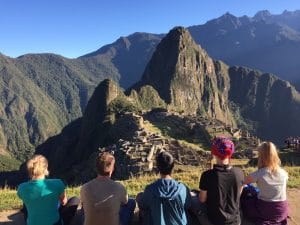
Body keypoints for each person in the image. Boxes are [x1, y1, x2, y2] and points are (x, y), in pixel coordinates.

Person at [190, 136, 244, 225]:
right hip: (235, 221)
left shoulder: (207, 175)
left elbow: (202, 199)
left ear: (214, 153)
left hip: (214, 221)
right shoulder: (239, 173)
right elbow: (238, 194)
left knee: (193, 200)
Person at [17, 155, 79, 225]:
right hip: (55, 223)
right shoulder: (58, 183)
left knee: (26, 202)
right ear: (46, 169)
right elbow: (64, 202)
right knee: (75, 199)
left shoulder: (21, 187)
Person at [136, 150, 191, 225]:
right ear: (173, 167)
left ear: (158, 167)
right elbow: (188, 205)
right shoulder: (183, 189)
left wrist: (139, 196)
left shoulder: (150, 189)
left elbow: (142, 205)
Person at [80, 151, 135, 225]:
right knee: (131, 202)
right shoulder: (119, 187)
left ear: (96, 168)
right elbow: (125, 202)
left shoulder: (85, 188)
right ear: (112, 169)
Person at [242, 142, 289, 225]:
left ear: (262, 157)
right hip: (282, 211)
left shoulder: (260, 173)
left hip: (266, 211)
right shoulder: (284, 173)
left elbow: (242, 182)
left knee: (246, 193)